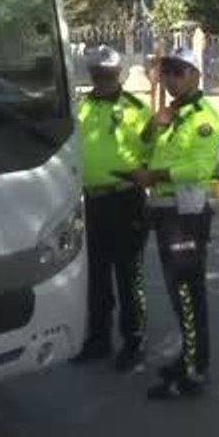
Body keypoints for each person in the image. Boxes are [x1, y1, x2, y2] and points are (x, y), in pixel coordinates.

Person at [125, 47, 219, 400]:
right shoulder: (171, 114)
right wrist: (153, 128)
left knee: (187, 293)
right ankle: (188, 358)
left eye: (178, 72)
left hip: (186, 215)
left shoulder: (202, 117)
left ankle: (195, 371)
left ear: (196, 74)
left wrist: (156, 174)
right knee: (177, 292)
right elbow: (146, 147)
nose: (170, 79)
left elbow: (199, 170)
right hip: (164, 211)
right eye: (166, 73)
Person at [71, 45, 152, 371]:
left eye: (105, 74)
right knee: (96, 276)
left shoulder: (136, 109)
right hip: (90, 203)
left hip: (125, 200)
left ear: (117, 74)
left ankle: (134, 341)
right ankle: (99, 339)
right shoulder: (81, 109)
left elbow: (154, 152)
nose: (100, 78)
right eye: (95, 73)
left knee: (128, 275)